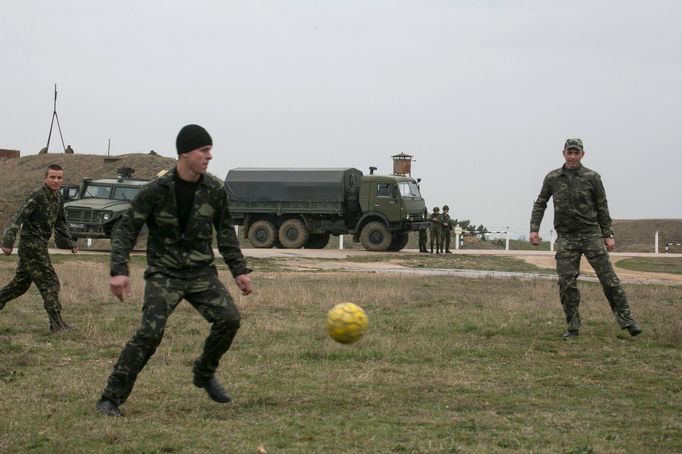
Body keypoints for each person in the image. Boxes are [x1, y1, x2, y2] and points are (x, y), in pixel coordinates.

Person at [96, 124, 253, 417]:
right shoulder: (156, 191)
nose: (209, 156)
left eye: (209, 150)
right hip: (164, 274)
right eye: (204, 150)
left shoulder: (215, 190)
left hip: (200, 273)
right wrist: (119, 270)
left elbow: (226, 235)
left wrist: (239, 271)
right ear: (185, 152)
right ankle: (110, 398)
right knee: (149, 333)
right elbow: (127, 229)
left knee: (229, 319)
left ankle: (204, 372)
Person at [529, 138, 642, 339]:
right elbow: (540, 203)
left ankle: (627, 321)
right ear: (563, 153)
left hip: (591, 235)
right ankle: (572, 327)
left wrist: (608, 234)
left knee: (609, 280)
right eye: (569, 153)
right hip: (566, 238)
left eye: (576, 153)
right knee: (566, 283)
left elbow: (602, 207)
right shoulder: (552, 178)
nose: (573, 157)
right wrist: (534, 229)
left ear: (582, 154)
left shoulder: (593, 177)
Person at [0, 164, 79, 331]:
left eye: (59, 178)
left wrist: (71, 243)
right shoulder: (37, 196)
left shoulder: (57, 198)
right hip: (31, 244)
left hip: (40, 244)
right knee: (51, 283)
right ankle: (57, 325)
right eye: (52, 177)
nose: (56, 180)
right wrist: (8, 241)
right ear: (46, 178)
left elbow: (60, 223)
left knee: (19, 285)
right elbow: (18, 216)